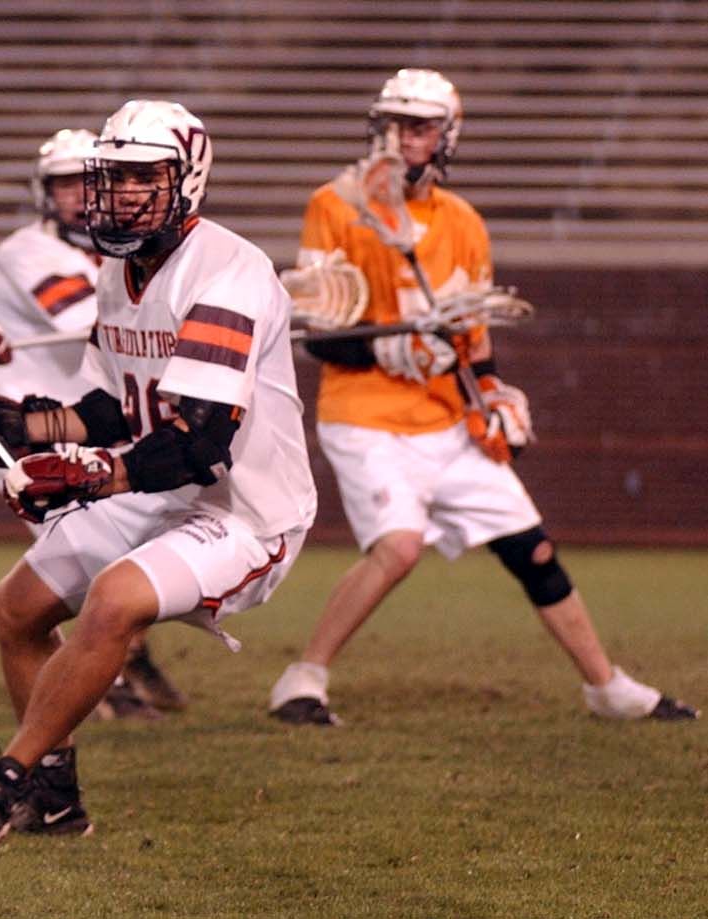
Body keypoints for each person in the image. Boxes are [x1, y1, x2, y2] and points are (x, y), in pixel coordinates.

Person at [0, 99, 316, 848]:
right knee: (17, 606)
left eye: (144, 177)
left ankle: (5, 779)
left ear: (187, 179)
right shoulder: (121, 265)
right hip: (160, 489)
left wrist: (89, 477)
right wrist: (23, 424)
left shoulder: (228, 270)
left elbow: (199, 441)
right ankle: (55, 799)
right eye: (113, 177)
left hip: (243, 507)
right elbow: (114, 405)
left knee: (113, 601)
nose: (122, 194)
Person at [266, 69, 697, 727]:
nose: (401, 140)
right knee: (398, 547)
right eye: (392, 125)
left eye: (417, 127)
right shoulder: (335, 205)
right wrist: (386, 349)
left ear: (446, 136)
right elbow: (318, 332)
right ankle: (303, 678)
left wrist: (491, 392)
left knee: (533, 549)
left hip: (445, 419)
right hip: (366, 415)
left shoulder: (463, 221)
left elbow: (472, 335)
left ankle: (605, 687)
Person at [0, 127, 186, 719]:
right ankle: (104, 677)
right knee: (75, 554)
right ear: (44, 192)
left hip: (91, 423)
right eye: (62, 184)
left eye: (82, 183)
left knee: (126, 545)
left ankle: (127, 653)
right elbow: (87, 317)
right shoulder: (27, 250)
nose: (75, 196)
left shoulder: (126, 257)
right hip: (25, 425)